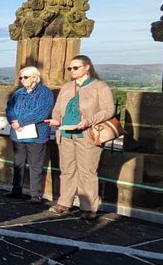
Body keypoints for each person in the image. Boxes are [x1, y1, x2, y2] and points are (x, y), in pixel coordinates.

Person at [45, 54, 115, 221]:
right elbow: (57, 108)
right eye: (70, 68)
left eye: (75, 67)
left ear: (87, 67)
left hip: (87, 134)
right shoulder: (68, 86)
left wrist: (89, 121)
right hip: (66, 132)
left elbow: (108, 110)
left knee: (87, 171)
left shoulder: (100, 87)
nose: (72, 71)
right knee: (67, 169)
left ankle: (89, 207)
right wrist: (56, 120)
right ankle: (64, 202)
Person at [5, 65, 54, 203]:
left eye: (25, 77)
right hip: (18, 133)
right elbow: (9, 107)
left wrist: (21, 122)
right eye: (21, 77)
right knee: (18, 163)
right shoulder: (18, 93)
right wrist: (13, 121)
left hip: (37, 134)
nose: (22, 80)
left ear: (34, 77)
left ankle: (35, 195)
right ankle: (16, 190)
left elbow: (41, 112)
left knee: (35, 165)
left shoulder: (45, 93)